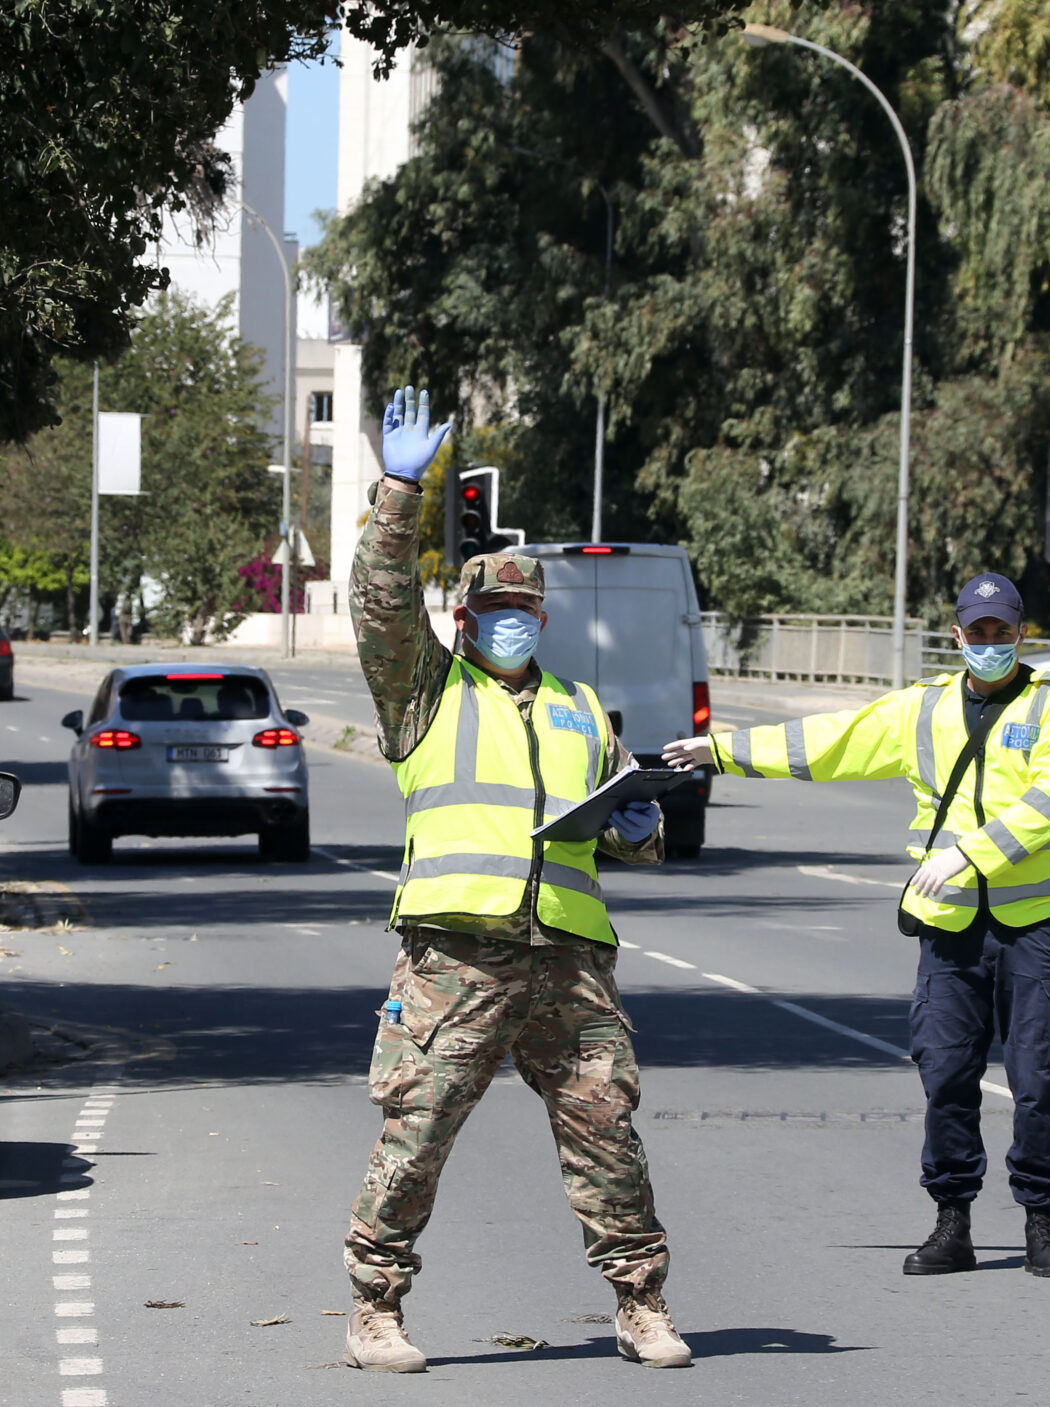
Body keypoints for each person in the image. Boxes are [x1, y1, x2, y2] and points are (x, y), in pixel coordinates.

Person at [340, 386, 691, 1374]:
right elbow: (378, 597)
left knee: (606, 1130)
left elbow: (625, 836)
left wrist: (635, 823)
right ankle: (375, 1308)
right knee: (417, 1130)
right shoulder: (425, 691)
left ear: (541, 615)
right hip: (455, 958)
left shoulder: (581, 708)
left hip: (567, 960)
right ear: (465, 617)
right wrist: (402, 489)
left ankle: (640, 1304)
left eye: (523, 610)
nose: (509, 623)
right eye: (492, 610)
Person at [663, 573, 1050, 1280]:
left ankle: (1041, 1222)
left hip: (1035, 920)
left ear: (1023, 635)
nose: (990, 643)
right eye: (977, 632)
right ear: (956, 636)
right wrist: (723, 750)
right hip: (949, 922)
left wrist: (970, 852)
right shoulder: (922, 710)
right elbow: (829, 742)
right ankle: (951, 1221)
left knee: (1037, 1075)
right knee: (946, 1072)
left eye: (1002, 631)